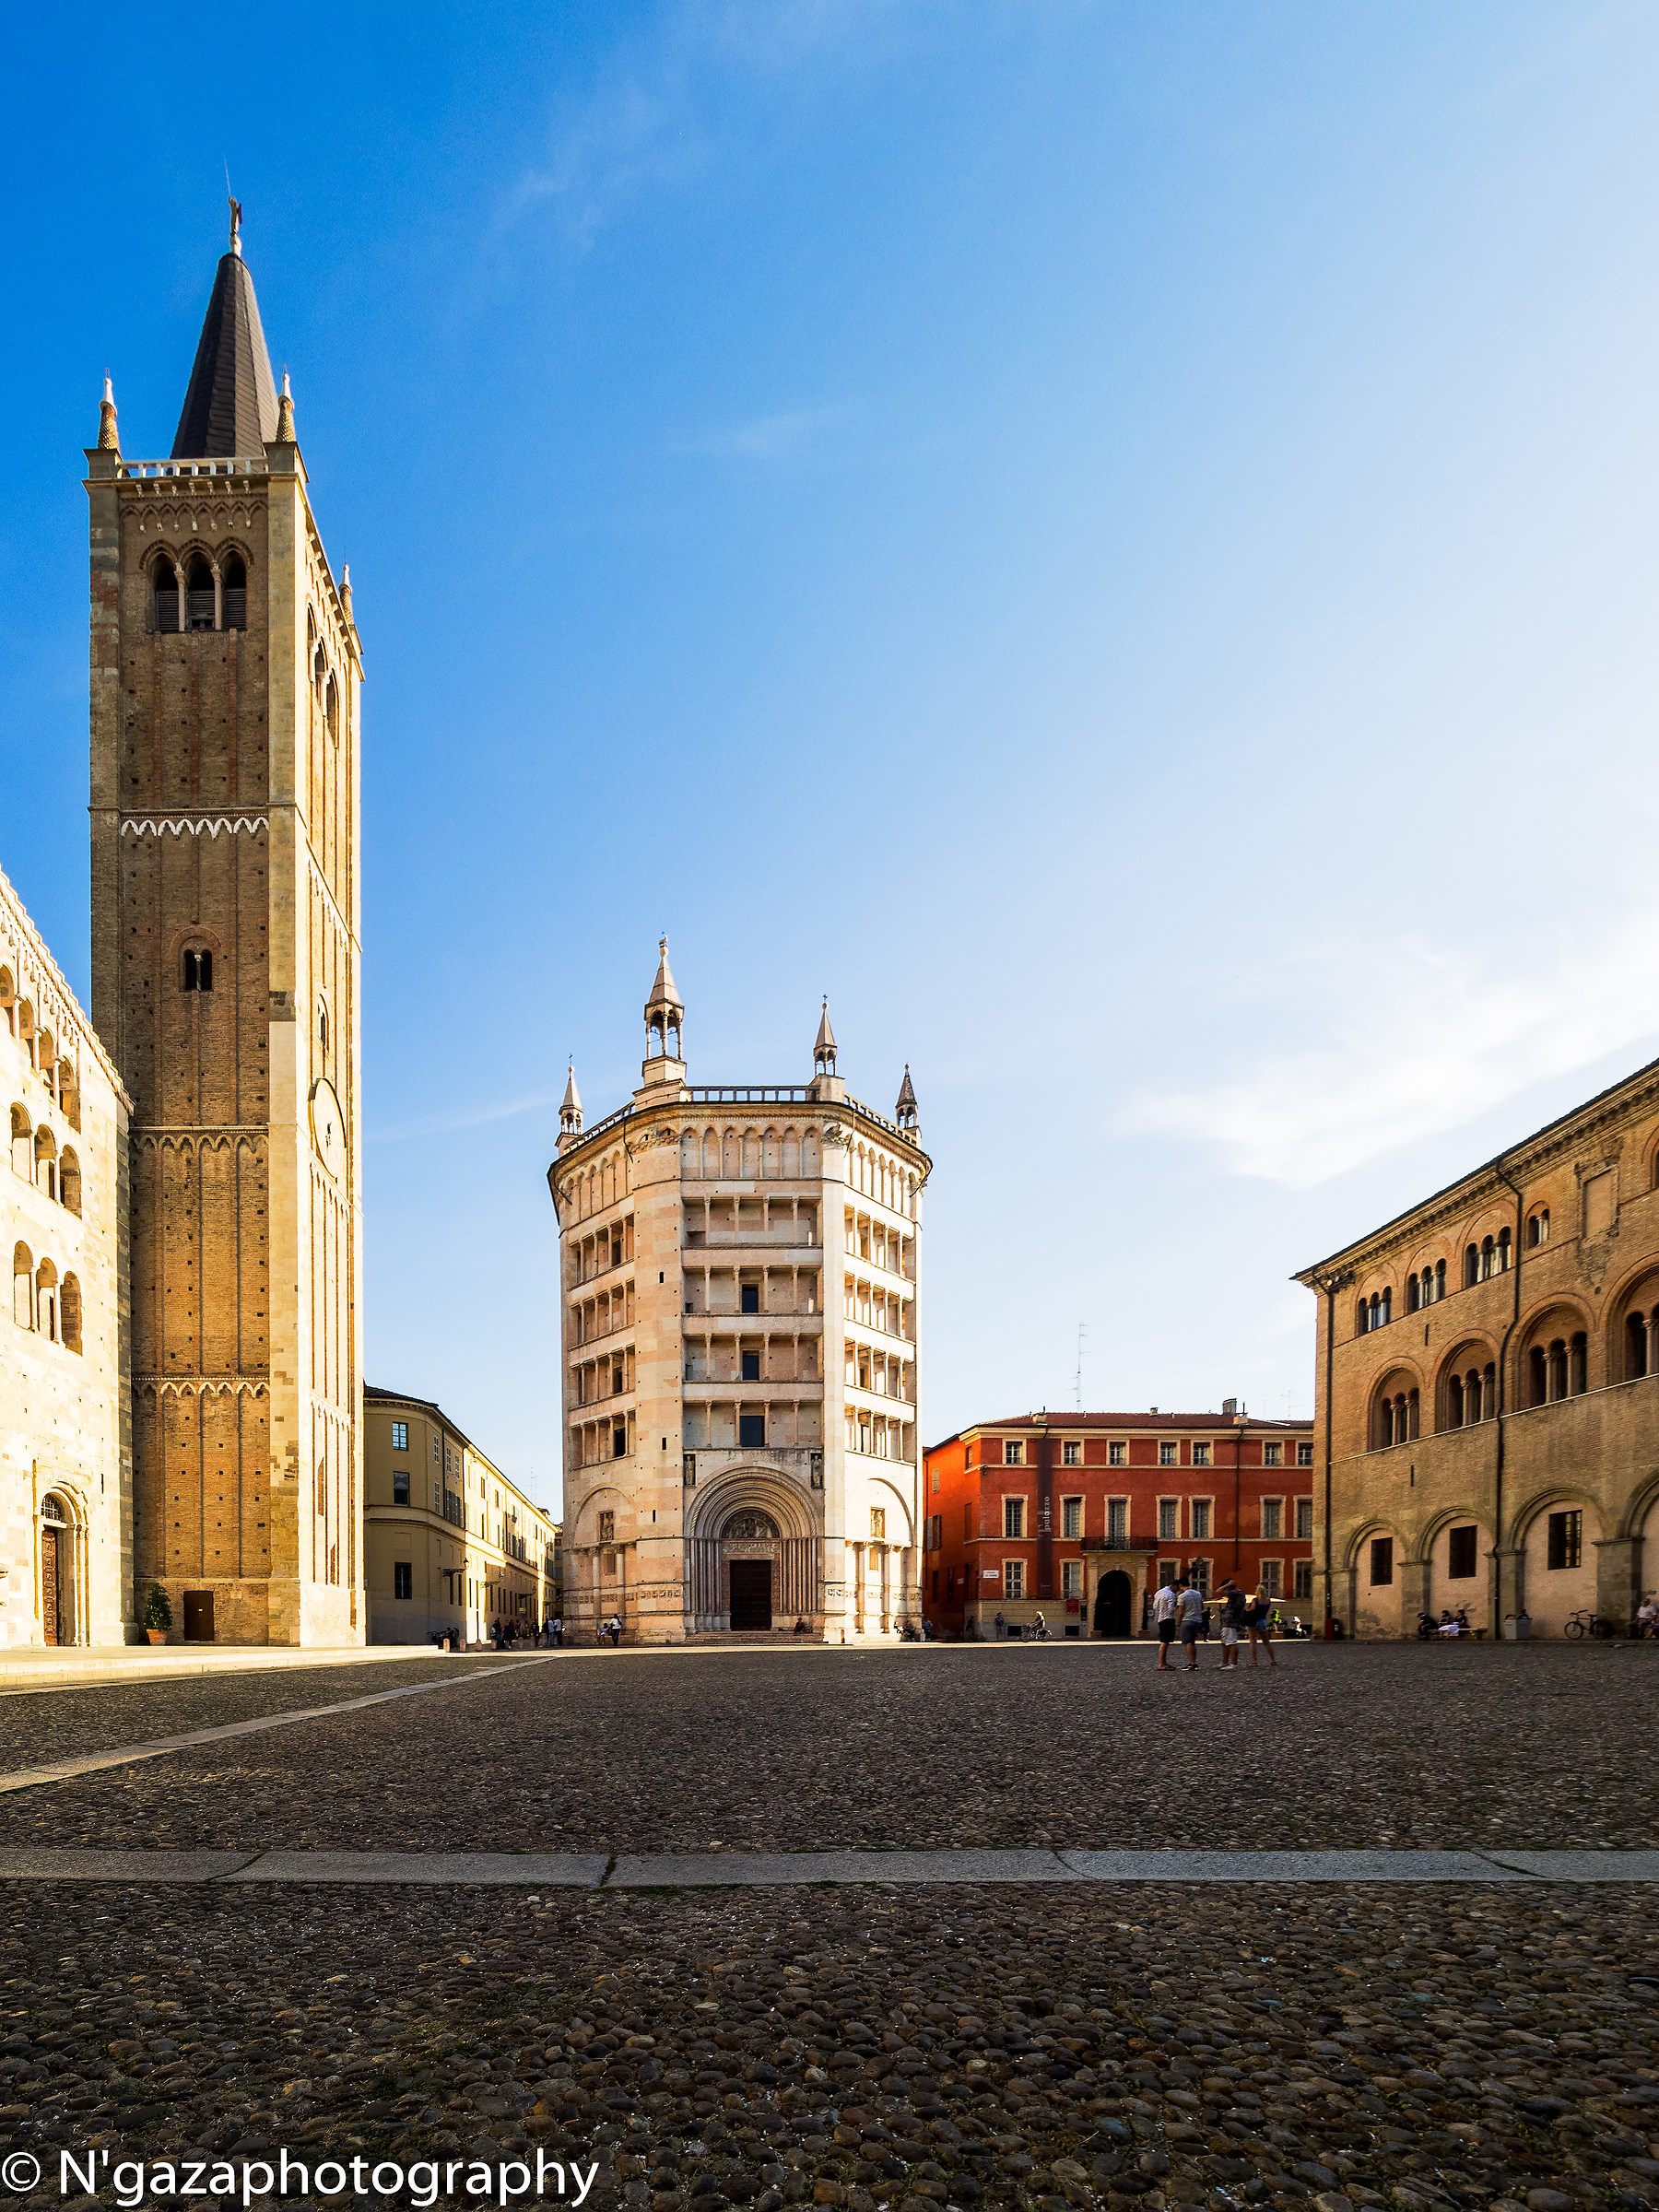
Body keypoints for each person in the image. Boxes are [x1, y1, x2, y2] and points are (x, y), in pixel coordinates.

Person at [1175, 1577, 1205, 1671]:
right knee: (1193, 1642)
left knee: (1188, 1642)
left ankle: (1192, 1663)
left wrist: (1178, 1624)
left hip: (1187, 1620)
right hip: (1197, 1620)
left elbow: (1180, 1612)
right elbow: (1202, 1607)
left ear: (1180, 1586)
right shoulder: (1198, 1594)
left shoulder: (1182, 1596)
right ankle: (1194, 1662)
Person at [1152, 1573, 1179, 1670]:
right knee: (1165, 1642)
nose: (1177, 1591)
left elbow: (1154, 1606)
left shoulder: (1159, 1592)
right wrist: (1177, 1608)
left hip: (1160, 1618)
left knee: (1165, 1641)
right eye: (1177, 1589)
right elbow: (1171, 1609)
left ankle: (1164, 1662)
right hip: (1168, 1619)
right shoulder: (1171, 1595)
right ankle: (1161, 1663)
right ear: (1175, 1586)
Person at [1217, 1580, 1246, 1668]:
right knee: (1225, 1642)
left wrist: (1228, 1584)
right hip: (1228, 1620)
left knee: (1231, 1642)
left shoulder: (1237, 1593)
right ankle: (1225, 1662)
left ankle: (1234, 1663)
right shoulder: (1237, 1594)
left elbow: (1219, 1591)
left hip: (1231, 1620)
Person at [1246, 1587, 1277, 1668]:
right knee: (1266, 1642)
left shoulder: (1255, 1600)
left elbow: (1252, 1608)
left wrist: (1246, 1609)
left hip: (1253, 1622)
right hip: (1263, 1622)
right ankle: (1273, 1660)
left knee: (1253, 1642)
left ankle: (1255, 1662)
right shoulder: (1268, 1601)